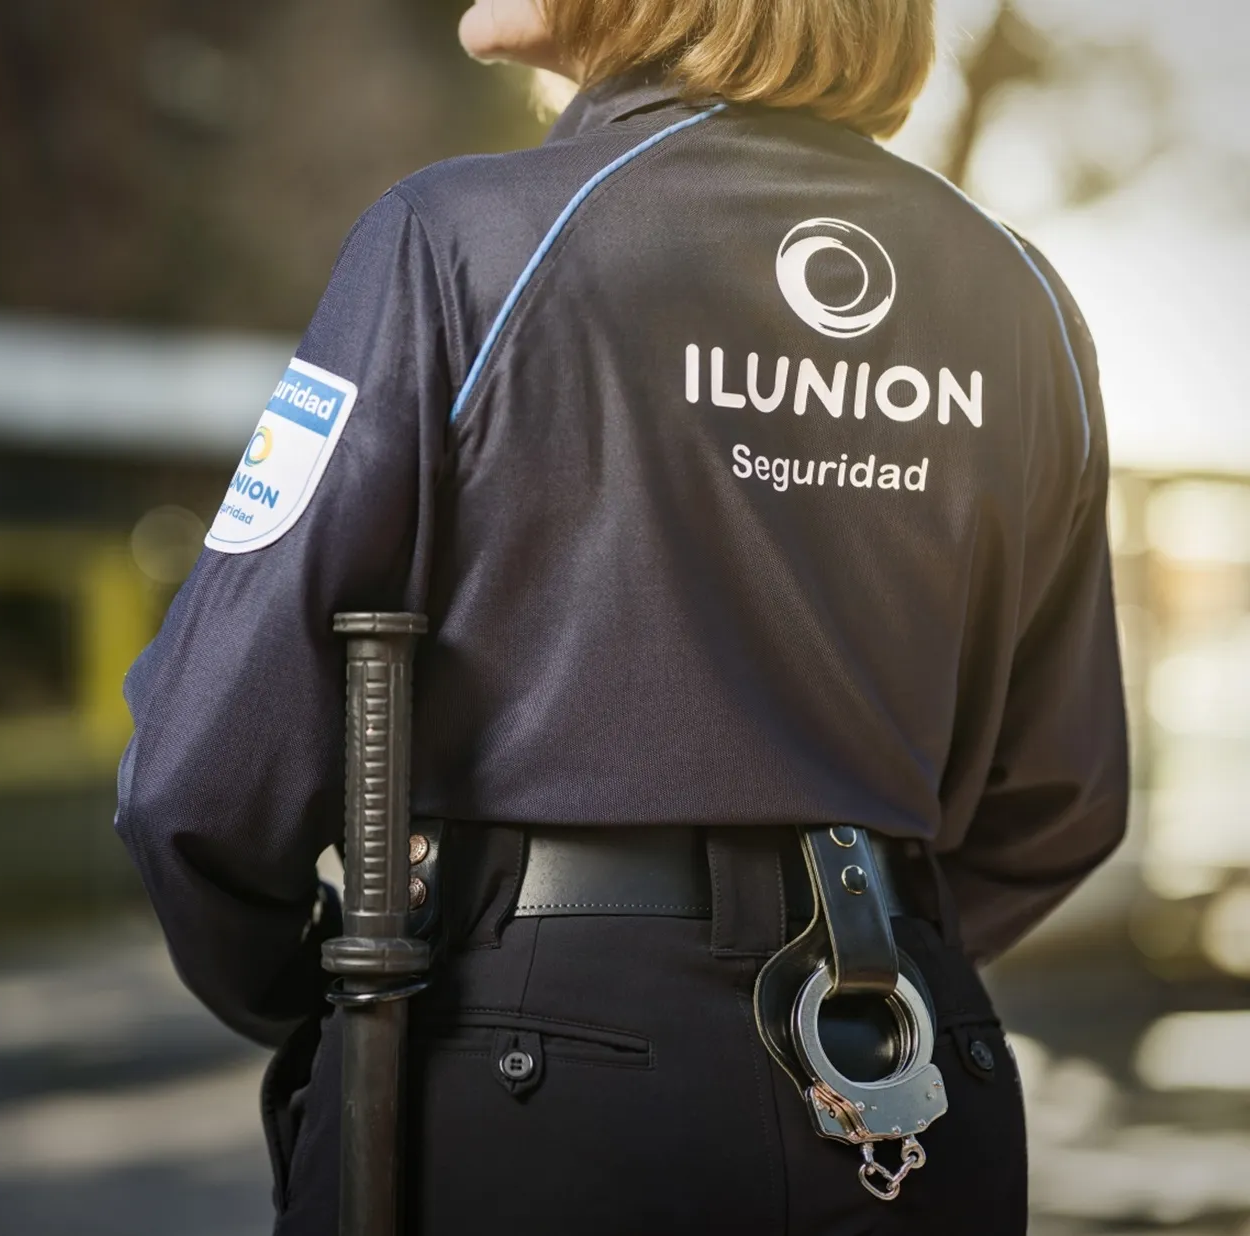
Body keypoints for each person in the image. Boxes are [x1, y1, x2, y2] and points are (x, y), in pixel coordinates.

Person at [114, 0, 1129, 1231]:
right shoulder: (1022, 299)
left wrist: (336, 998)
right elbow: (1060, 799)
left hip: (536, 1075)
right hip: (904, 1070)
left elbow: (200, 775)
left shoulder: (460, 240)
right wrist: (863, 930)